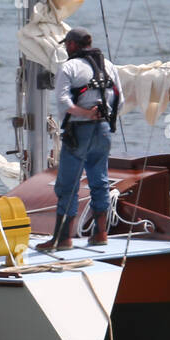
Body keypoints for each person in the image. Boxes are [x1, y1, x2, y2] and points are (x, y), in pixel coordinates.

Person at [37, 27, 121, 252]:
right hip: (103, 130)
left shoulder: (69, 67)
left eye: (67, 44)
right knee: (100, 180)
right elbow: (119, 98)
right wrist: (104, 116)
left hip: (78, 131)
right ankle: (101, 233)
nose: (65, 47)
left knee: (68, 184)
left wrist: (84, 113)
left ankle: (63, 238)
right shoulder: (109, 66)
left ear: (73, 45)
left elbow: (63, 100)